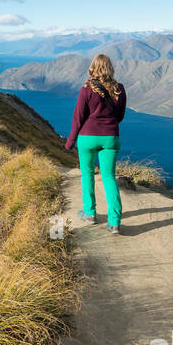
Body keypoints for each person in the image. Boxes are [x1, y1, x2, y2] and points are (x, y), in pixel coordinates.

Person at [64, 54, 128, 233]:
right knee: (108, 176)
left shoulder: (86, 89)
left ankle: (90, 212)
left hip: (87, 138)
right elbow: (120, 116)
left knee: (87, 174)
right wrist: (107, 126)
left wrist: (70, 141)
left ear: (93, 67)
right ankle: (114, 222)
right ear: (110, 68)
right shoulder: (119, 89)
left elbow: (78, 118)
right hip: (110, 137)